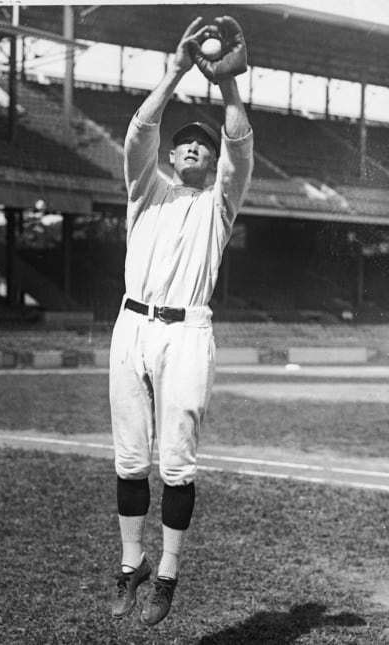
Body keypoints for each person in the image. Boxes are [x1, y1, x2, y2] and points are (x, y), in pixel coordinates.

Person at [109, 15, 254, 626]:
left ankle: (167, 572)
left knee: (177, 465)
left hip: (188, 332)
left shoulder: (218, 205)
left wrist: (226, 88)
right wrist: (173, 72)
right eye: (185, 141)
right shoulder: (148, 189)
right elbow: (138, 132)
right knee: (128, 459)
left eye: (204, 142)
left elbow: (241, 149)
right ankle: (130, 563)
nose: (194, 144)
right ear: (171, 154)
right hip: (132, 327)